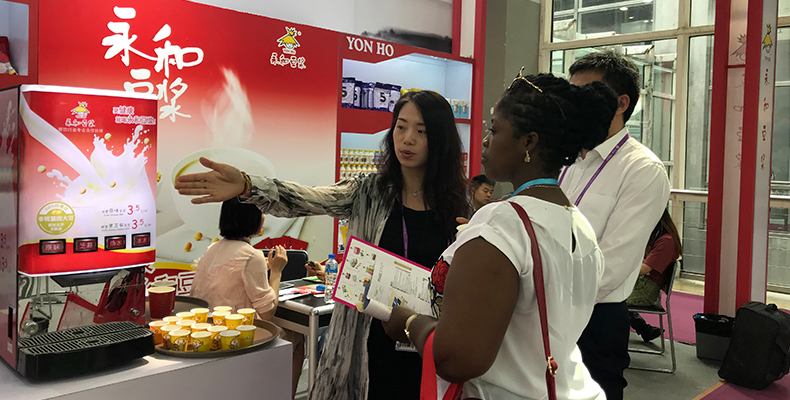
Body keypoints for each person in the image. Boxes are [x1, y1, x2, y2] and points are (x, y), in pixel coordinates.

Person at [175, 90, 472, 400]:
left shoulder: (457, 207)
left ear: (439, 139)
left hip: (429, 345)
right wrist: (249, 186)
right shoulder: (368, 191)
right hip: (365, 346)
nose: (407, 139)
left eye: (421, 131)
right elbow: (309, 198)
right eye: (401, 126)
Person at [383, 72, 618, 400]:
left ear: (528, 142)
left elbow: (456, 359)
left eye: (494, 130)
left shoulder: (503, 222)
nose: (485, 141)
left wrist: (408, 323)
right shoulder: (578, 224)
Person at [560, 50, 671, 400]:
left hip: (595, 316)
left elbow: (612, 264)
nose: (575, 104)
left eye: (584, 93)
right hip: (548, 305)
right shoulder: (569, 159)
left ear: (621, 103)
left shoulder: (642, 169)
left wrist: (546, 291)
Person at [189, 199, 304, 398]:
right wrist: (276, 272)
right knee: (297, 339)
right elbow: (267, 312)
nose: (265, 216)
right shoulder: (251, 256)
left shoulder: (212, 249)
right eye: (262, 212)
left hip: (207, 332)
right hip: (237, 337)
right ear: (251, 218)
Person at [628, 208, 683, 342]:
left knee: (608, 299)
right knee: (608, 296)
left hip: (646, 290)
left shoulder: (666, 242)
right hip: (644, 285)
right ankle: (644, 329)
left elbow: (644, 269)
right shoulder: (660, 238)